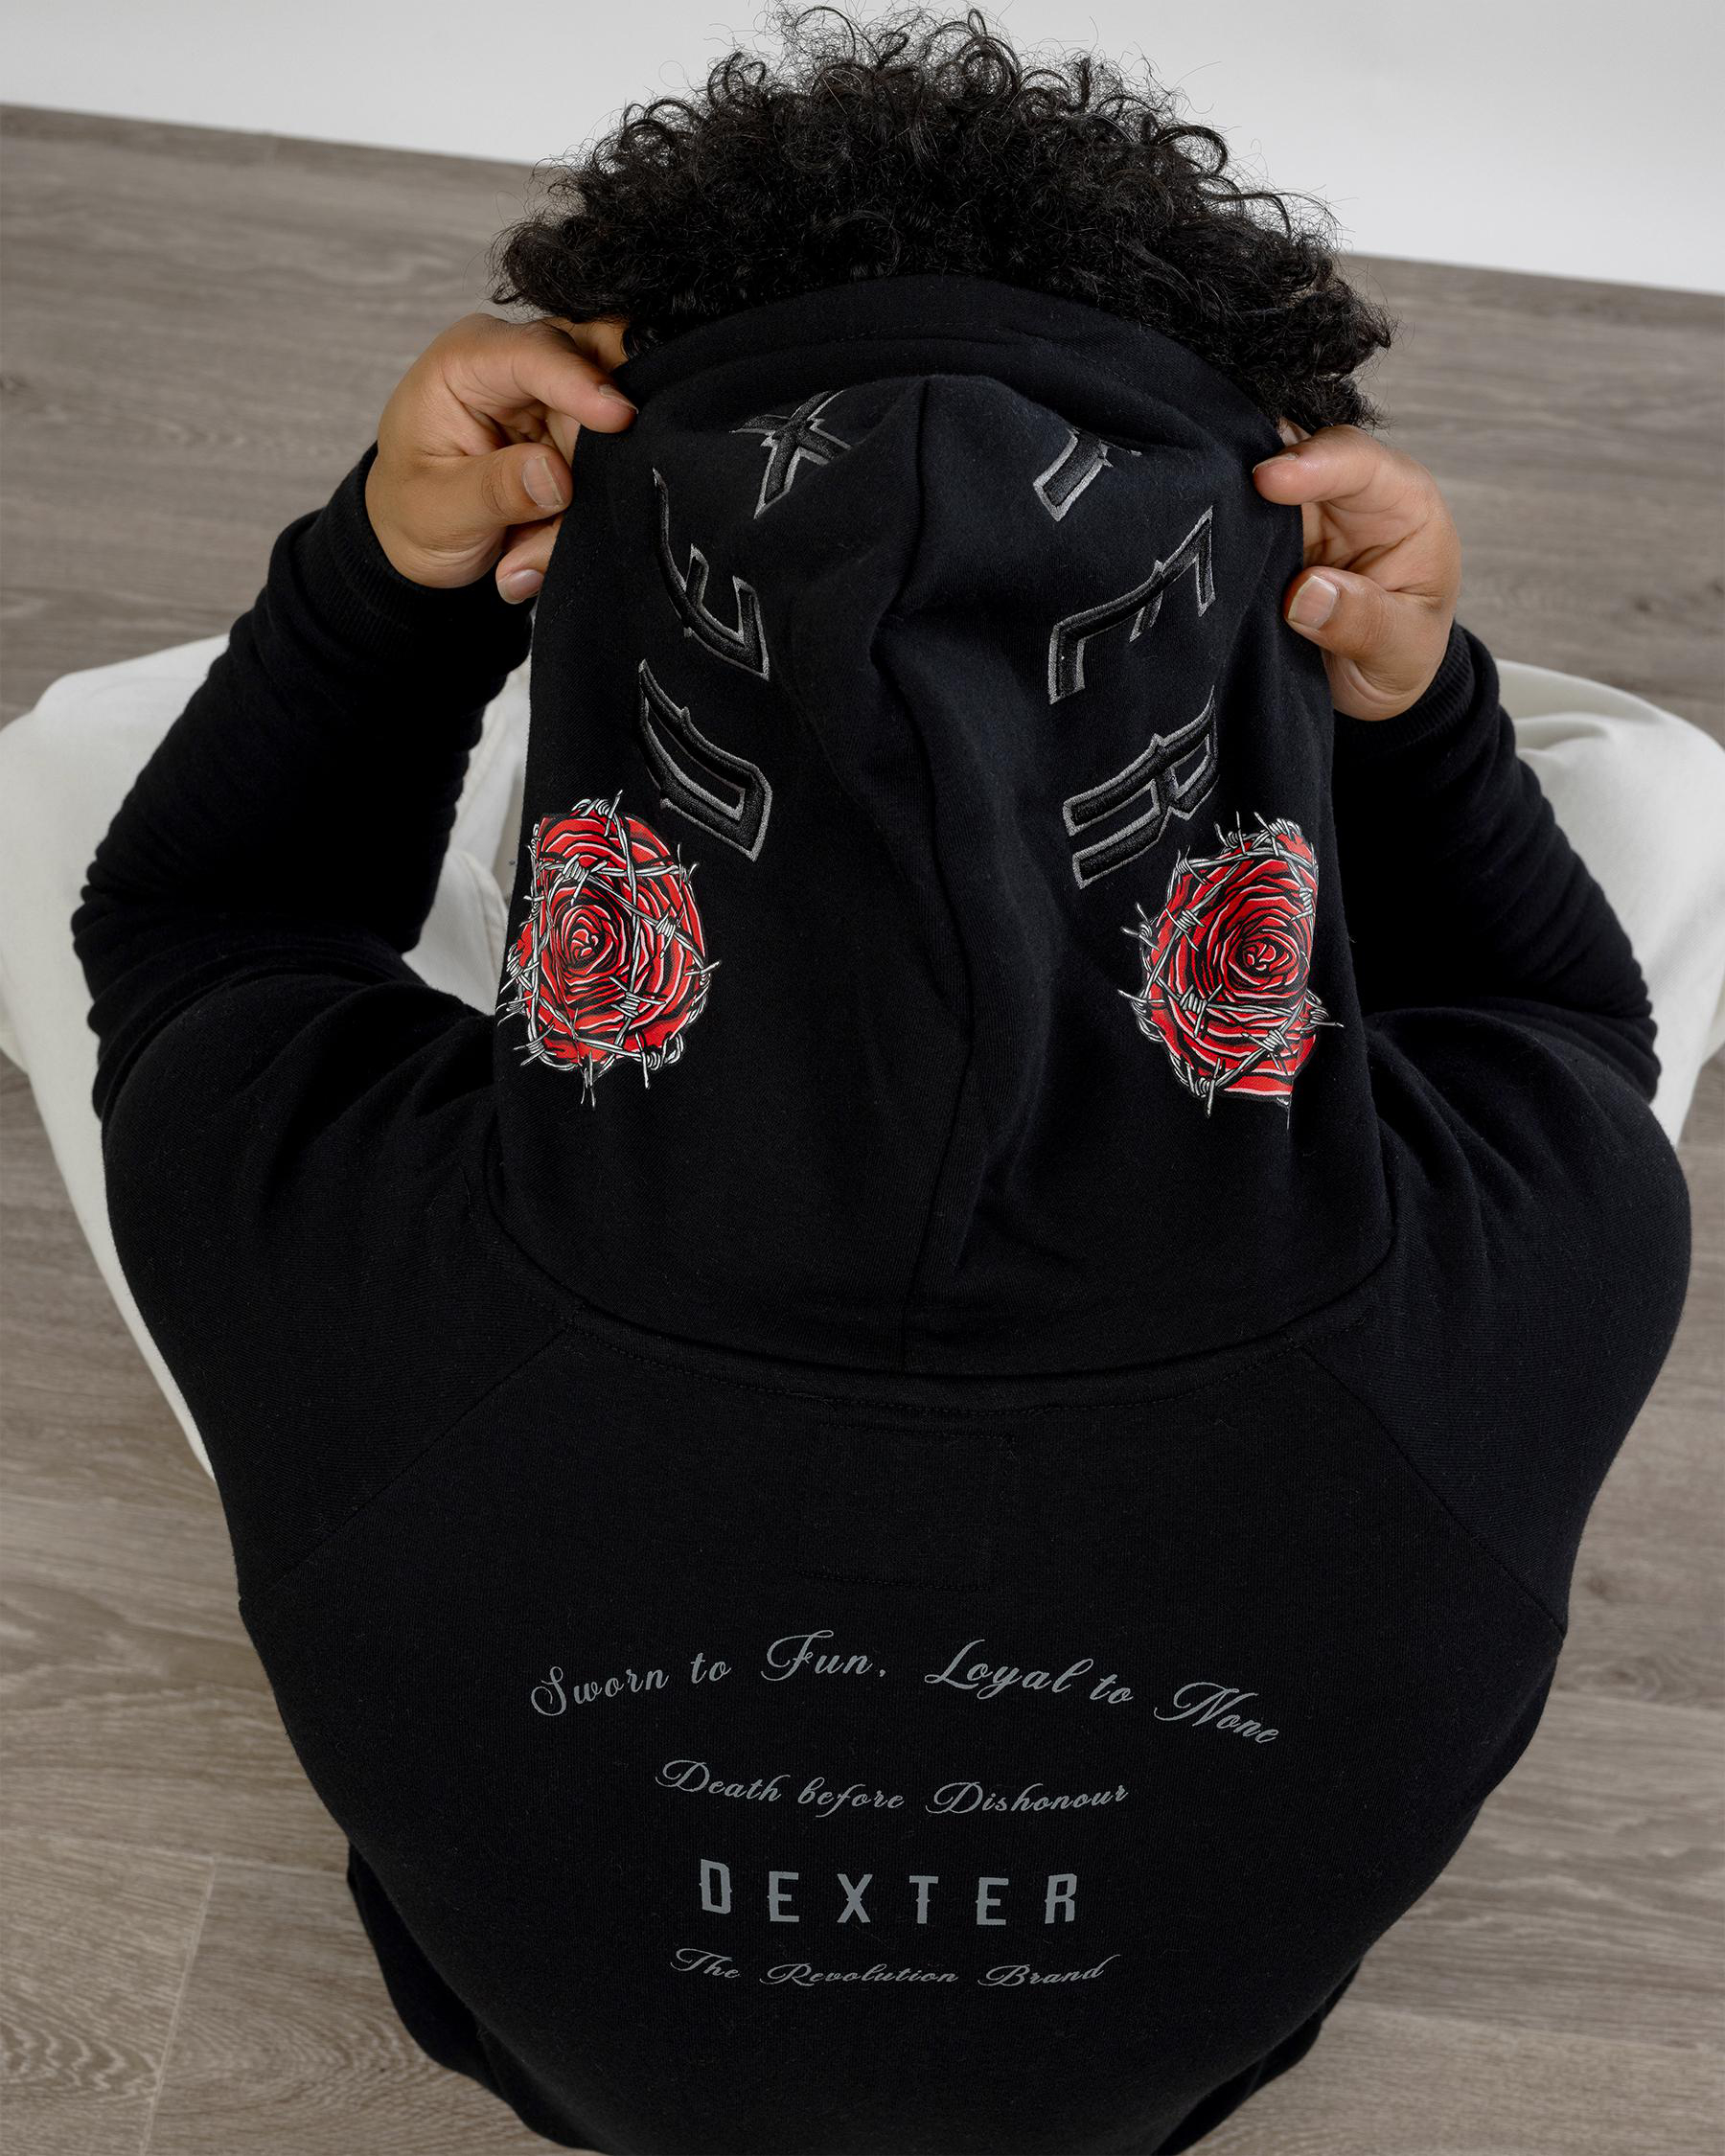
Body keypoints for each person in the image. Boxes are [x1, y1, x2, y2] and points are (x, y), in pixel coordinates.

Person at [3, 11, 1722, 2152]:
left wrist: (397, 585)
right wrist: (1415, 700)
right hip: (1159, 2090)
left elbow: (194, 923)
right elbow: (1566, 1029)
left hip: (550, 2010)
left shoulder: (339, 1255)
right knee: (1668, 795)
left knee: (78, 769)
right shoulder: (1534, 1269)